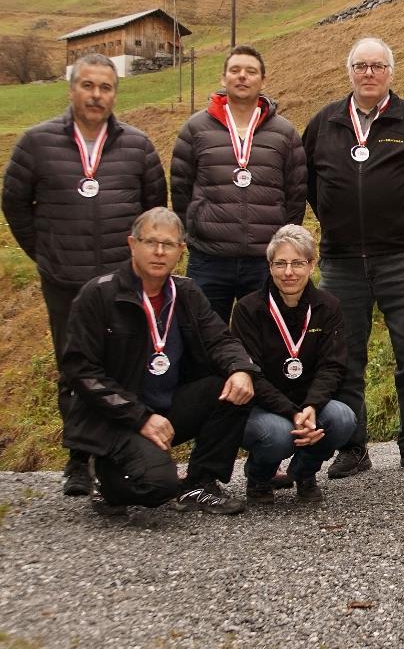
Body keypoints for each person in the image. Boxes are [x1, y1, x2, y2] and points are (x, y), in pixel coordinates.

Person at [2, 53, 167, 497]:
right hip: (66, 281)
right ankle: (78, 459)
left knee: (125, 365)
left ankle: (118, 451)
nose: (97, 95)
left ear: (116, 92)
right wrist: (47, 254)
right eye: (88, 86)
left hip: (123, 282)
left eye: (106, 87)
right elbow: (15, 204)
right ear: (71, 88)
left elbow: (155, 208)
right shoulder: (36, 143)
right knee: (74, 368)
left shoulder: (137, 145)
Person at [59, 208, 260, 516]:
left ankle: (199, 484)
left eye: (168, 244)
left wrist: (240, 369)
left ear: (181, 251)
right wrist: (139, 417)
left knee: (233, 387)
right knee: (156, 486)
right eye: (150, 242)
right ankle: (104, 475)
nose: (158, 251)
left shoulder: (187, 292)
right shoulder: (99, 294)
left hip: (166, 410)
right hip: (117, 418)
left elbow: (220, 339)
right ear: (132, 244)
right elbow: (80, 372)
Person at [303, 36, 404, 478]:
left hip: (403, 258)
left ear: (391, 73)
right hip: (341, 262)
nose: (368, 74)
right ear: (349, 72)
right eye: (360, 66)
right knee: (344, 357)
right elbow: (309, 185)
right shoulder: (323, 123)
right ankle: (353, 446)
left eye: (377, 66)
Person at [170, 44, 307, 323]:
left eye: (251, 71)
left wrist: (281, 243)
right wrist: (196, 229)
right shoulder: (196, 129)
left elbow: (296, 193)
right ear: (223, 78)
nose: (242, 76)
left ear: (263, 80)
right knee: (204, 340)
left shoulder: (285, 133)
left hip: (264, 260)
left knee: (264, 339)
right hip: (209, 259)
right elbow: (180, 188)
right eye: (235, 70)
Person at [230, 225, 357, 505]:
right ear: (270, 265)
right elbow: (252, 373)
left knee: (343, 418)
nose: (289, 272)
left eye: (298, 263)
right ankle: (259, 476)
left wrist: (311, 406)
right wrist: (291, 413)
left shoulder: (328, 307)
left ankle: (303, 472)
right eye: (281, 263)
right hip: (262, 408)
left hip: (310, 405)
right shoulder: (248, 310)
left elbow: (332, 366)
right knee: (277, 435)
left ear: (311, 265)